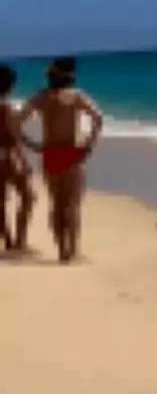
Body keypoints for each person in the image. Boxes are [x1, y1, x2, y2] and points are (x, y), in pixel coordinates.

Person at [17, 57, 103, 263]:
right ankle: (73, 251)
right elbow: (98, 117)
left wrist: (31, 144)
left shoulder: (41, 97)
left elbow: (17, 121)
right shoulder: (76, 96)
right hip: (73, 153)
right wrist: (89, 145)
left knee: (56, 204)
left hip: (51, 153)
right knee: (72, 205)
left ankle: (62, 251)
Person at [0, 65, 34, 251]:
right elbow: (12, 136)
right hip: (8, 156)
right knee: (28, 197)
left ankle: (8, 240)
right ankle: (20, 241)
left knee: (0, 200)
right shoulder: (6, 108)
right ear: (10, 86)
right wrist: (23, 159)